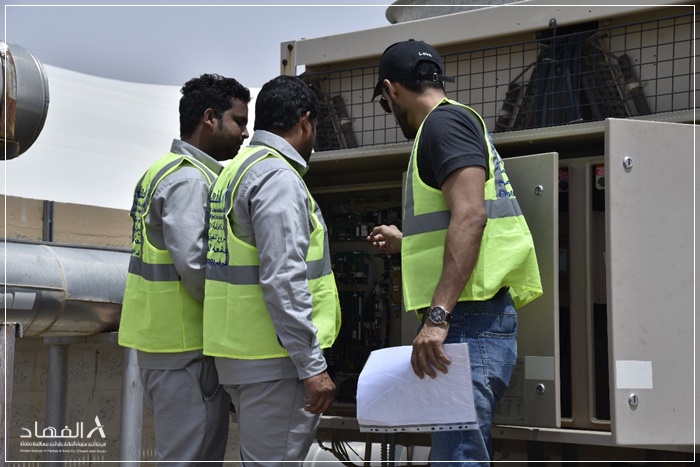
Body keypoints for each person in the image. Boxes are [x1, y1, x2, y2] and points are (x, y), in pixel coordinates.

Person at [367, 39, 543, 465]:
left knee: (458, 458)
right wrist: (407, 242)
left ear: (391, 90)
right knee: (457, 455)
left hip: (467, 320)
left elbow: (471, 216)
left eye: (384, 103)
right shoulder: (452, 123)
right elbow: (459, 220)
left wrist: (437, 317)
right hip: (471, 320)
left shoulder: (443, 125)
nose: (389, 110)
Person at [203, 75, 341, 466]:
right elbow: (283, 278)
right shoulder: (277, 177)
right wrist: (311, 365)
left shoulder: (236, 171)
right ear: (305, 121)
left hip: (241, 355)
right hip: (276, 362)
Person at [119, 73, 251, 465]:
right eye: (239, 121)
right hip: (185, 350)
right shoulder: (190, 180)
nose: (245, 134)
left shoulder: (162, 170)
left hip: (166, 345)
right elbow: (195, 265)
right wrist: (244, 313)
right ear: (209, 118)